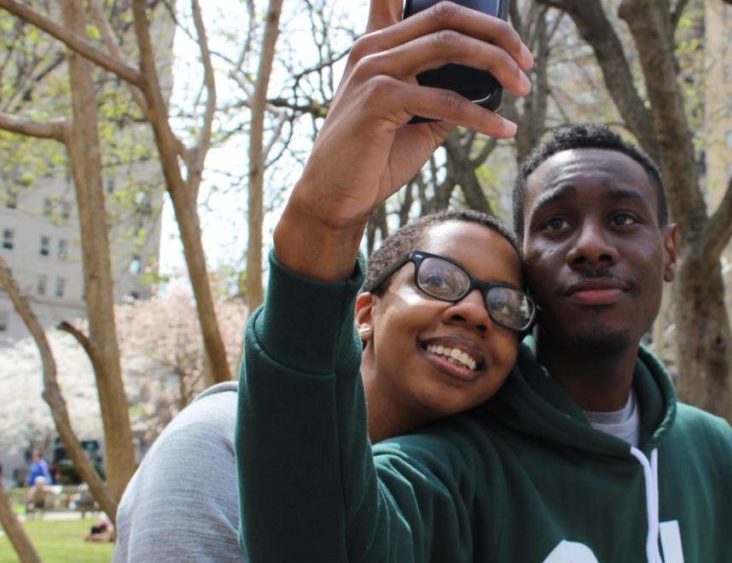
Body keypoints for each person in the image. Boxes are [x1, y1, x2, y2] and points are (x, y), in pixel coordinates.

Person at [235, 0, 732, 562]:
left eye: (624, 219)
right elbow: (313, 544)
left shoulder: (714, 451)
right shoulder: (448, 464)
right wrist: (324, 222)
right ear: (525, 268)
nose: (592, 246)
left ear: (670, 251)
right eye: (556, 224)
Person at [114, 211, 531, 562]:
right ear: (365, 314)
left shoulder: (472, 490)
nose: (476, 313)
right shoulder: (215, 443)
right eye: (438, 281)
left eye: (506, 307)